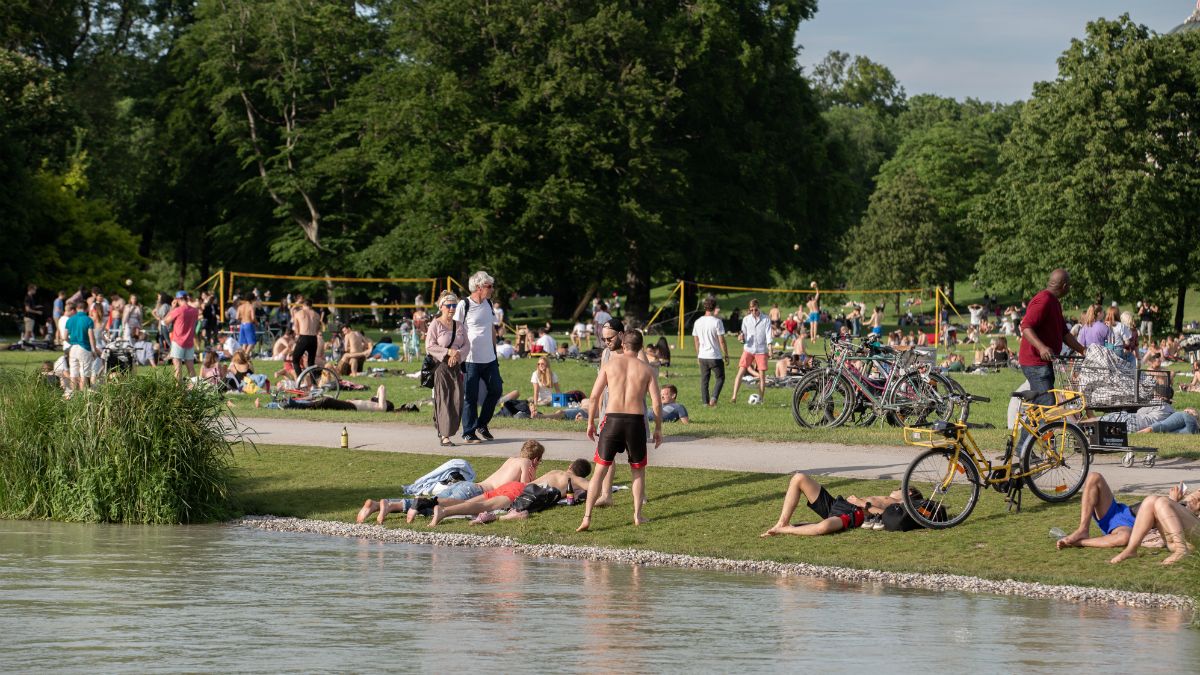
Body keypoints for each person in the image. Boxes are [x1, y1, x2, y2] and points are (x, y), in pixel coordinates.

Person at [577, 331, 661, 532]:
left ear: (623, 345)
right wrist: (658, 428)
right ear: (640, 347)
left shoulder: (609, 365)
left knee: (599, 471)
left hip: (612, 420)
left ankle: (587, 517)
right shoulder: (646, 369)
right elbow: (657, 403)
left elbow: (595, 396)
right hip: (635, 422)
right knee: (638, 471)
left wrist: (590, 423)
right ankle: (637, 515)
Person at [360, 440, 545, 523]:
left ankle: (384, 504)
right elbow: (523, 489)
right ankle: (388, 506)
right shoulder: (527, 463)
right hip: (473, 491)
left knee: (430, 501)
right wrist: (533, 471)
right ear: (536, 459)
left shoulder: (511, 459)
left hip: (464, 485)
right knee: (435, 509)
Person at [759, 472, 913, 537]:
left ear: (910, 493)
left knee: (823, 528)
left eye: (900, 489)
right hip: (838, 505)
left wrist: (861, 503)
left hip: (854, 514)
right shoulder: (895, 500)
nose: (897, 489)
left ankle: (786, 530)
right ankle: (782, 522)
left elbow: (886, 516)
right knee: (799, 478)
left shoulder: (902, 504)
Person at [1018, 269, 1086, 405]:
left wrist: (1083, 350)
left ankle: (1033, 426)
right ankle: (1044, 426)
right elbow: (1026, 326)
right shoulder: (1044, 300)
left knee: (1043, 404)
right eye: (1070, 285)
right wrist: (1041, 347)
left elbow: (1064, 334)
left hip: (1044, 362)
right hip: (1035, 362)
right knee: (1047, 404)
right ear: (1064, 286)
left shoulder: (1054, 302)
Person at [455, 271, 503, 444]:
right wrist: (457, 353)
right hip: (470, 359)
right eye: (489, 286)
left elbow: (491, 329)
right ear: (478, 287)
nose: (492, 289)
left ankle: (482, 424)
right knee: (471, 397)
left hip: (489, 358)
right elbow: (457, 330)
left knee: (496, 389)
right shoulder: (464, 304)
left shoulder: (488, 304)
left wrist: (494, 351)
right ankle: (468, 432)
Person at [1109, 484, 1200, 565]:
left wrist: (1194, 510)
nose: (1198, 497)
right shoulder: (1185, 504)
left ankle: (1181, 549)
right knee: (1150, 500)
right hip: (1174, 541)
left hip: (1195, 537)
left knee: (1162, 501)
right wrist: (1176, 502)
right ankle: (1131, 549)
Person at [425, 291, 469, 447]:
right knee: (444, 399)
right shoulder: (435, 324)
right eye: (448, 305)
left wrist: (457, 355)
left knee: (457, 399)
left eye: (454, 305)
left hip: (456, 365)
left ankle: (445, 425)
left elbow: (466, 345)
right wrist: (447, 352)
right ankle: (445, 436)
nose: (451, 308)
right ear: (441, 307)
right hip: (441, 366)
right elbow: (430, 346)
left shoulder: (459, 325)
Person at [496, 459, 594, 521]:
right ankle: (503, 517)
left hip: (516, 487)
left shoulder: (555, 471)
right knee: (499, 513)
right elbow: (593, 487)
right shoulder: (577, 480)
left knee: (488, 505)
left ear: (570, 466)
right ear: (583, 475)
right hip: (527, 496)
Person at [730, 299, 770, 404]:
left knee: (762, 375)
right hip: (748, 349)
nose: (753, 312)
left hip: (761, 350)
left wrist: (770, 348)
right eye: (751, 310)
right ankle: (734, 397)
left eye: (755, 310)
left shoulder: (766, 319)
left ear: (759, 308)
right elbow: (743, 335)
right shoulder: (746, 319)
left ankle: (761, 399)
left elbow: (768, 334)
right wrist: (741, 338)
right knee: (741, 372)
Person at [692, 297, 728, 408]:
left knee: (704, 380)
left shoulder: (698, 322)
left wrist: (698, 355)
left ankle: (705, 403)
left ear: (705, 307)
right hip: (714, 356)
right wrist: (726, 354)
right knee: (720, 378)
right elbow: (721, 341)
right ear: (714, 307)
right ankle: (713, 399)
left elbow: (696, 341)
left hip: (702, 355)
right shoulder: (717, 322)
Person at [164, 291, 201, 382]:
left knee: (177, 368)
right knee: (191, 368)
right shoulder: (195, 311)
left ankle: (178, 390)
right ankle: (196, 389)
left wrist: (172, 308)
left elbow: (165, 321)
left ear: (178, 299)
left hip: (178, 341)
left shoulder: (178, 310)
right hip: (189, 342)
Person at [64, 300, 99, 392]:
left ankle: (73, 396)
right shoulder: (88, 320)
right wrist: (94, 350)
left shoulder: (70, 319)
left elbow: (64, 337)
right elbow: (91, 337)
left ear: (76, 308)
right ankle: (82, 398)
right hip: (84, 348)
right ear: (87, 309)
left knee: (73, 373)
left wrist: (71, 343)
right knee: (84, 374)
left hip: (73, 348)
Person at [291, 298, 320, 375]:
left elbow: (296, 330)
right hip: (313, 338)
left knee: (295, 359)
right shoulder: (317, 315)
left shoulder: (298, 313)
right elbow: (317, 330)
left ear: (303, 305)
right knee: (311, 363)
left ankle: (301, 380)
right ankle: (313, 384)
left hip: (303, 337)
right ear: (311, 305)